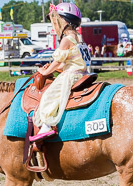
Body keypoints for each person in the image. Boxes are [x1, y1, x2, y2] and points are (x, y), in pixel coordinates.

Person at [30, 3, 90, 141]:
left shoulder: (66, 40)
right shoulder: (78, 37)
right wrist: (55, 69)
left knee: (48, 96)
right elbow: (70, 62)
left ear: (63, 21)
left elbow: (57, 62)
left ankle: (47, 126)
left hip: (72, 75)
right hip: (82, 73)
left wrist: (45, 73)